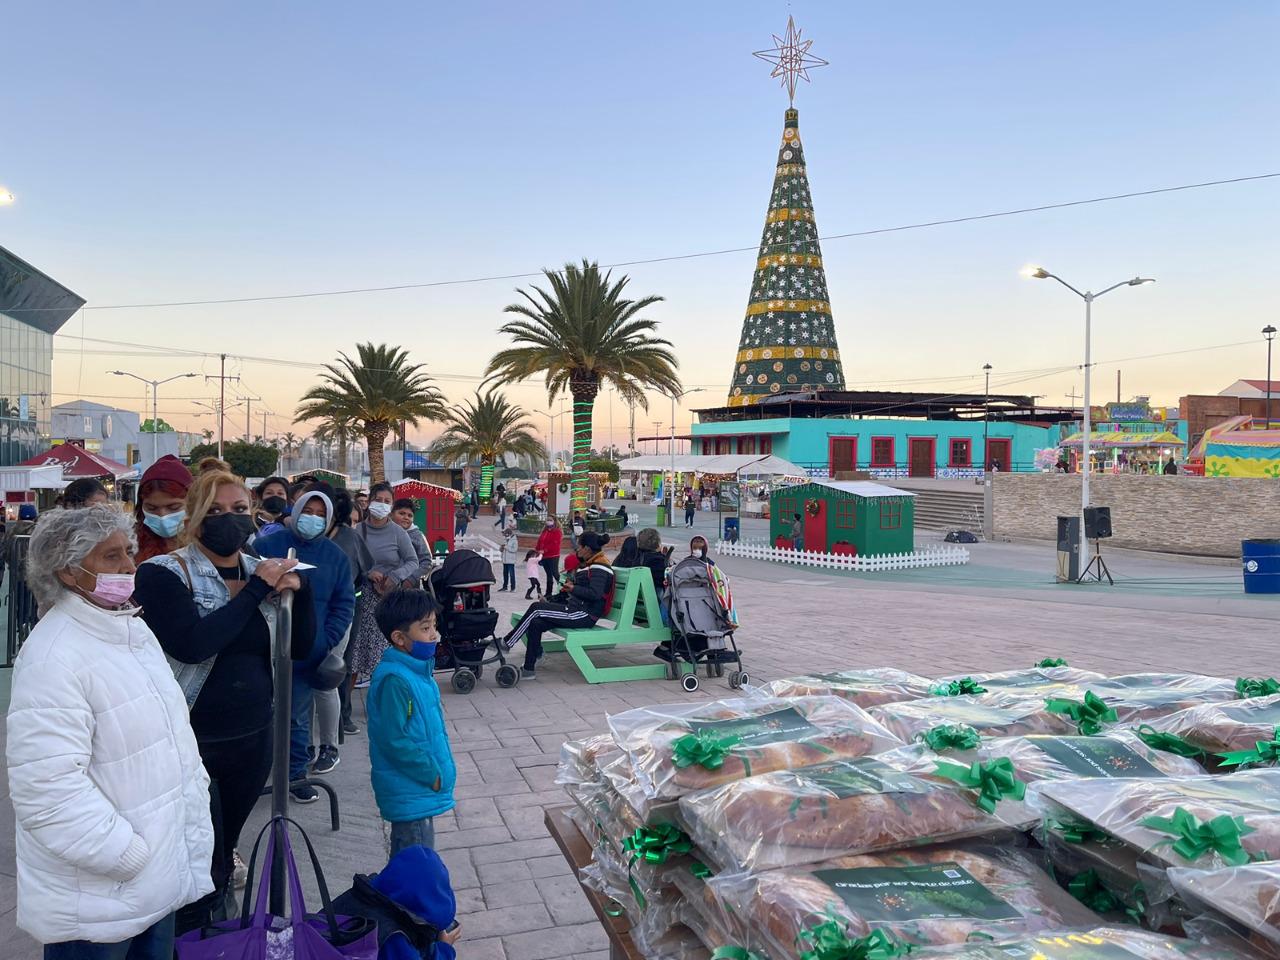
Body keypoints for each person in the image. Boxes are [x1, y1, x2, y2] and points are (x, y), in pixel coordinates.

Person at [7, 506, 214, 958]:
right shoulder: (54, 657)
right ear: (67, 570)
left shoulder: (131, 631)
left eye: (128, 553)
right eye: (110, 556)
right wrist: (126, 855)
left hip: (151, 879)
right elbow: (47, 788)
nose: (128, 567)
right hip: (99, 894)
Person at [133, 467, 315, 933]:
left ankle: (219, 936)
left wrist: (302, 593)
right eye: (214, 511)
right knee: (194, 856)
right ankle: (191, 935)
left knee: (221, 852)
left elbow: (300, 648)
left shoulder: (264, 570)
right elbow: (194, 643)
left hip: (253, 738)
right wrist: (257, 591)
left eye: (238, 510)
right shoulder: (162, 574)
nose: (228, 520)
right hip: (193, 741)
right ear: (194, 517)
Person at [255, 486, 356, 800]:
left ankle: (296, 776)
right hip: (260, 648)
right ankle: (254, 775)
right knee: (258, 714)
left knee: (297, 716)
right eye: (308, 512)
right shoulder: (266, 544)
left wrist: (325, 639)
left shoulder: (335, 557)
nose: (313, 519)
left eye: (320, 515)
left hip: (304, 652)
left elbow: (344, 603)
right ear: (295, 511)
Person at [369, 589, 456, 855]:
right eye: (425, 628)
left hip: (416, 791)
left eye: (434, 626)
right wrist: (431, 774)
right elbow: (393, 739)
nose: (434, 635)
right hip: (411, 789)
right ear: (399, 638)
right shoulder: (396, 680)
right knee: (415, 862)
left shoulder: (417, 671)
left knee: (411, 860)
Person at [502, 531, 614, 679]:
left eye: (579, 547)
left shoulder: (600, 567)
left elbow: (595, 594)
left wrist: (574, 588)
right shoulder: (591, 564)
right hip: (576, 609)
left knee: (536, 608)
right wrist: (567, 591)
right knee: (536, 623)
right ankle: (528, 669)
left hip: (584, 614)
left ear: (587, 548)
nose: (577, 551)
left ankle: (508, 642)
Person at [347, 482, 420, 684]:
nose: (382, 504)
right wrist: (368, 572)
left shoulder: (398, 532)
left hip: (386, 601)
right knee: (354, 653)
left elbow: (413, 561)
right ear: (369, 502)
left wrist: (395, 577)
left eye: (387, 501)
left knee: (382, 657)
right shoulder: (356, 529)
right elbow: (348, 558)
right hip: (359, 599)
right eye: (378, 500)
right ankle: (345, 707)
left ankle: (380, 702)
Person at [329, 488, 373, 739]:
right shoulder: (307, 539)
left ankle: (343, 715)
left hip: (348, 605)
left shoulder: (351, 537)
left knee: (343, 661)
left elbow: (365, 568)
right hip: (319, 607)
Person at [134, 454, 193, 563]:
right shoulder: (131, 544)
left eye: (173, 507)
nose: (162, 515)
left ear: (193, 505)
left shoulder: (208, 544)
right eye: (151, 508)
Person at [392, 498, 433, 586]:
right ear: (391, 514)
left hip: (408, 587)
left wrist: (412, 579)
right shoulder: (384, 533)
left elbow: (427, 561)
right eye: (402, 513)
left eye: (410, 515)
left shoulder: (417, 536)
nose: (406, 517)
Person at [535, 515, 563, 596]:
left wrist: (545, 550)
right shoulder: (544, 531)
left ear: (554, 521)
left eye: (550, 520)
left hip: (553, 556)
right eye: (547, 520)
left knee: (555, 574)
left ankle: (564, 590)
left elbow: (554, 544)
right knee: (548, 575)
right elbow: (540, 541)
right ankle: (548, 593)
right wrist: (537, 550)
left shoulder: (557, 532)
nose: (548, 521)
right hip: (544, 556)